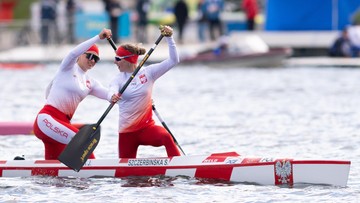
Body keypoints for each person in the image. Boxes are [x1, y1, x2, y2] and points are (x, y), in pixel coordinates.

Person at [33, 28, 120, 160]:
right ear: (81, 55)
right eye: (89, 56)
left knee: (54, 174)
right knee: (84, 142)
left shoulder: (90, 82)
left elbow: (108, 94)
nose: (92, 60)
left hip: (62, 125)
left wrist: (114, 96)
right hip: (47, 121)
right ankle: (96, 173)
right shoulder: (67, 68)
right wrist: (98, 38)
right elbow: (73, 53)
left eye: (96, 59)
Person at [109, 25, 181, 158]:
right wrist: (112, 96)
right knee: (126, 177)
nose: (114, 62)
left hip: (146, 129)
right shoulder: (118, 80)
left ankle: (179, 164)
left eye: (118, 59)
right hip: (126, 133)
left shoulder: (149, 73)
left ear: (129, 60)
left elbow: (173, 60)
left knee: (166, 137)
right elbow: (111, 90)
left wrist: (170, 38)